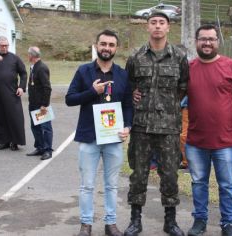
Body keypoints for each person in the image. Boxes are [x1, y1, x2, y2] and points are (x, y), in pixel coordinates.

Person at [124, 11, 189, 236]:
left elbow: (183, 87)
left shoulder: (179, 57)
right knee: (138, 174)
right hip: (141, 127)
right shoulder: (135, 57)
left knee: (170, 174)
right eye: (153, 23)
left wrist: (167, 104)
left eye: (162, 23)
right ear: (147, 27)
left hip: (169, 128)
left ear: (168, 27)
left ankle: (170, 222)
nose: (158, 26)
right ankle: (135, 220)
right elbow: (129, 85)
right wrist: (134, 94)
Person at [65, 29, 133, 236]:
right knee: (87, 185)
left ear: (116, 48)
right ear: (96, 46)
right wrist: (92, 92)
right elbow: (69, 99)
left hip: (113, 138)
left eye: (111, 45)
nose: (107, 48)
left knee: (112, 185)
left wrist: (127, 126)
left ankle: (110, 224)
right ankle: (86, 225)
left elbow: (129, 105)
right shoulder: (84, 71)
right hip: (89, 136)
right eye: (103, 44)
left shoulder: (122, 74)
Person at [186, 24, 232, 236]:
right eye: (203, 39)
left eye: (211, 39)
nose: (207, 43)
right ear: (196, 42)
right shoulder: (188, 69)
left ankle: (228, 223)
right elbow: (172, 96)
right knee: (198, 184)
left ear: (218, 42)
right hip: (196, 141)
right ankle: (200, 221)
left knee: (226, 185)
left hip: (225, 141)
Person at [0, 36, 27, 150]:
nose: (4, 47)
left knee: (14, 117)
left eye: (6, 45)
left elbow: (23, 73)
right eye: (2, 45)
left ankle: (15, 142)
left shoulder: (14, 58)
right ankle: (4, 141)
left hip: (11, 92)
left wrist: (21, 87)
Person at [26, 46, 53, 160]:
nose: (27, 57)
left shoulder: (41, 68)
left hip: (40, 105)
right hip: (33, 103)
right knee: (35, 127)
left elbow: (47, 88)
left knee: (45, 127)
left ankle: (47, 150)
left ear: (31, 56)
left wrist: (44, 105)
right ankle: (40, 147)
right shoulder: (34, 67)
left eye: (28, 55)